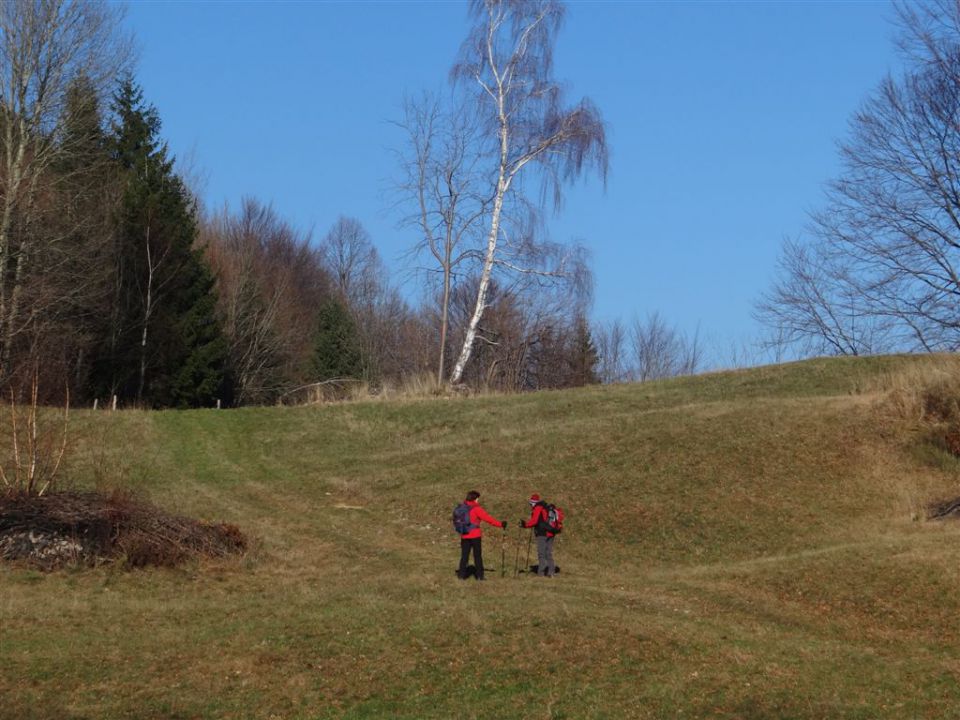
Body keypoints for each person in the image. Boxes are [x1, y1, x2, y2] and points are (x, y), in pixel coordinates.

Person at [455, 490, 506, 581]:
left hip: (464, 535)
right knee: (477, 556)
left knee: (464, 556)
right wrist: (500, 524)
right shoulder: (476, 509)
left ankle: (461, 576)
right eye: (478, 498)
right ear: (475, 499)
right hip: (475, 536)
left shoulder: (462, 507)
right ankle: (479, 576)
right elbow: (488, 519)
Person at [520, 493, 556, 577]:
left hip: (542, 533)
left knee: (541, 553)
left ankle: (541, 573)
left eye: (530, 504)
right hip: (551, 532)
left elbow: (534, 521)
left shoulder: (537, 508)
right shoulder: (545, 507)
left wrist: (525, 525)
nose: (530, 506)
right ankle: (551, 572)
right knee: (548, 553)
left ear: (533, 502)